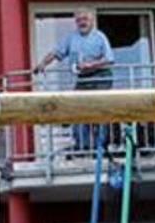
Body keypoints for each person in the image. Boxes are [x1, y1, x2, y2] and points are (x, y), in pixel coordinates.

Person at [37, 8, 115, 155]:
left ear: (91, 21)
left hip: (100, 77)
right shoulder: (71, 38)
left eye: (85, 19)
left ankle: (101, 146)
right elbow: (56, 52)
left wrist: (90, 65)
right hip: (83, 78)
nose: (82, 23)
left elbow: (110, 59)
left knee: (100, 109)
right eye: (79, 20)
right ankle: (82, 145)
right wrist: (42, 64)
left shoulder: (99, 37)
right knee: (77, 107)